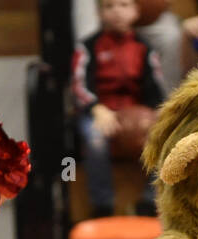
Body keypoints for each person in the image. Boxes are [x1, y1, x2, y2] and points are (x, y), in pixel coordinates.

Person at [71, 0, 167, 217]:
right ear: (99, 13)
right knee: (95, 140)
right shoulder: (87, 46)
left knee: (165, 136)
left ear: (135, 12)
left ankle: (148, 202)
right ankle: (102, 205)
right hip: (99, 112)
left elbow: (156, 89)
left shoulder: (145, 47)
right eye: (109, 6)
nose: (116, 11)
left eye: (123, 5)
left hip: (135, 113)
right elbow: (79, 87)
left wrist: (156, 116)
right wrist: (96, 109)